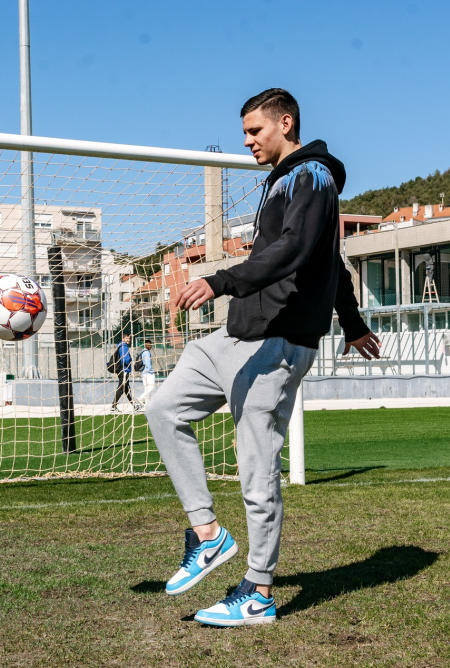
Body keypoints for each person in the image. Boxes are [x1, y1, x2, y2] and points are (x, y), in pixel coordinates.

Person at [145, 88, 380, 627]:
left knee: (257, 473)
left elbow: (298, 252)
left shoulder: (313, 176)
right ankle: (207, 535)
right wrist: (354, 323)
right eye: (245, 132)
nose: (247, 141)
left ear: (285, 123)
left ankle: (258, 592)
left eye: (255, 131)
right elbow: (333, 265)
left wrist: (220, 279)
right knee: (163, 409)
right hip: (237, 337)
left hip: (279, 344)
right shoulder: (282, 180)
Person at [110, 334, 137, 412]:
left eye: (129, 338)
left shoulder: (121, 346)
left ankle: (135, 405)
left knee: (126, 389)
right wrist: (130, 359)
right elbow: (125, 359)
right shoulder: (124, 347)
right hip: (124, 371)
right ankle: (113, 407)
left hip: (123, 371)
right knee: (121, 388)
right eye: (126, 338)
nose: (128, 340)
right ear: (123, 339)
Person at [139, 340, 156, 405]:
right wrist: (151, 371)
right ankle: (140, 398)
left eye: (150, 345)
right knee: (151, 387)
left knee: (147, 388)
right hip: (148, 372)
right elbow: (147, 363)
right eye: (149, 345)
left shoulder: (143, 351)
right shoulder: (146, 352)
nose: (150, 346)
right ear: (146, 345)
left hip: (144, 372)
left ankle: (147, 403)